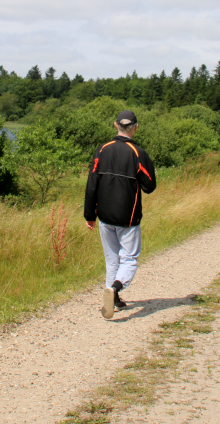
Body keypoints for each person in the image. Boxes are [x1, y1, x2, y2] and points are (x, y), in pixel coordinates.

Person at [84, 110, 157, 319]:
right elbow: (149, 186)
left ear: (116, 125)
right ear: (135, 127)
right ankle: (115, 289)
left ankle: (112, 299)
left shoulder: (102, 150)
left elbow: (91, 185)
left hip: (104, 216)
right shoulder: (138, 153)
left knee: (111, 259)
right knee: (130, 258)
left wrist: (89, 215)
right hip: (128, 217)